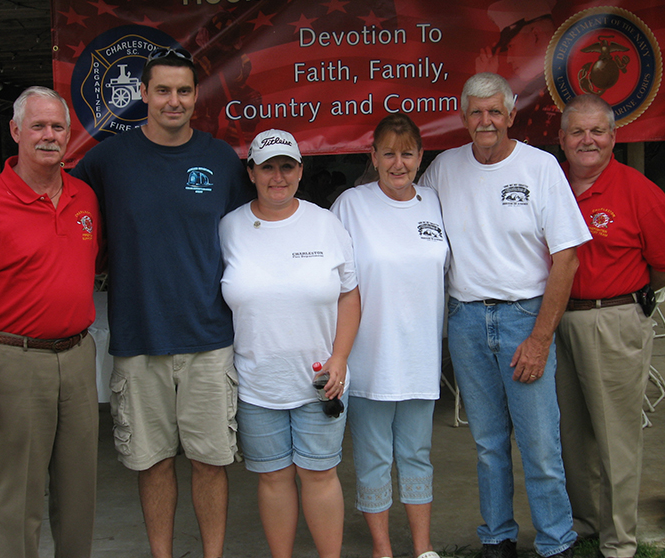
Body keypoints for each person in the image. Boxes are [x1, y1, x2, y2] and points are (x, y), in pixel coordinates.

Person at [71, 47, 251, 558]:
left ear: (196, 97)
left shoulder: (220, 160)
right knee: (152, 462)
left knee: (211, 461)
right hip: (139, 338)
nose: (174, 101)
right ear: (143, 95)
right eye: (164, 90)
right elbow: (63, 216)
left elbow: (250, 237)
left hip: (209, 339)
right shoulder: (108, 159)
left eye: (185, 91)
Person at [419, 72, 591, 558]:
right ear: (464, 117)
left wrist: (539, 338)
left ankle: (557, 542)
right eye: (476, 112)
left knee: (539, 446)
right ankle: (497, 538)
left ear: (512, 115)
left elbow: (567, 258)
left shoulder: (540, 168)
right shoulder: (443, 169)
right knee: (489, 444)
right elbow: (408, 213)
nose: (486, 120)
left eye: (495, 111)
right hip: (467, 321)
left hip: (523, 319)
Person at [0, 86, 101, 558]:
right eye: (38, 126)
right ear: (15, 131)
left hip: (76, 357)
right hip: (14, 361)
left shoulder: (85, 198)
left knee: (79, 495)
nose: (49, 136)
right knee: (20, 498)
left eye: (57, 127)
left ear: (69, 135)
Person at [555, 94, 665, 558]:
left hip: (612, 319)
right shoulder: (551, 185)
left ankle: (619, 542)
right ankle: (586, 522)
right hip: (556, 321)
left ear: (614, 137)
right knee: (570, 434)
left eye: (598, 131)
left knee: (616, 438)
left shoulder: (638, 191)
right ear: (562, 138)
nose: (587, 140)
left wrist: (626, 295)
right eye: (577, 131)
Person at [219, 129, 360, 558]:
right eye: (267, 167)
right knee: (273, 477)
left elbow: (349, 295)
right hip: (257, 382)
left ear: (300, 170)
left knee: (319, 475)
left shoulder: (326, 224)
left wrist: (339, 358)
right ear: (252, 173)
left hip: (320, 382)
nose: (277, 176)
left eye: (286, 166)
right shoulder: (229, 228)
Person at [330, 113, 448, 558]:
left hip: (420, 357)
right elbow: (337, 283)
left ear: (420, 156)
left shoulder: (434, 202)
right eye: (389, 154)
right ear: (373, 157)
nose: (398, 163)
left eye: (407, 153)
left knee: (417, 453)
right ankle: (383, 549)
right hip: (369, 358)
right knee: (375, 456)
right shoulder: (350, 205)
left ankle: (423, 548)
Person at [475, 0, 560, 145]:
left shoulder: (568, 87)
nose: (508, 58)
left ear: (536, 35)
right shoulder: (532, 91)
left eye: (511, 46)